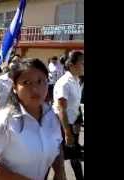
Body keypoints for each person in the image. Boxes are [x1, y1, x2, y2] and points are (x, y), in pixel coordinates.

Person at [0, 58, 65, 180]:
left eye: (40, 81)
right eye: (26, 83)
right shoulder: (3, 120)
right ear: (14, 87)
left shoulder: (51, 116)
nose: (35, 89)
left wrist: (59, 171)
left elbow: (57, 144)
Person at [53, 50, 84, 180]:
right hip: (62, 126)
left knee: (74, 157)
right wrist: (67, 133)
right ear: (71, 65)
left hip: (72, 123)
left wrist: (78, 121)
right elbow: (62, 109)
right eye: (82, 63)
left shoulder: (76, 80)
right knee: (58, 161)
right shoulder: (64, 82)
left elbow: (74, 106)